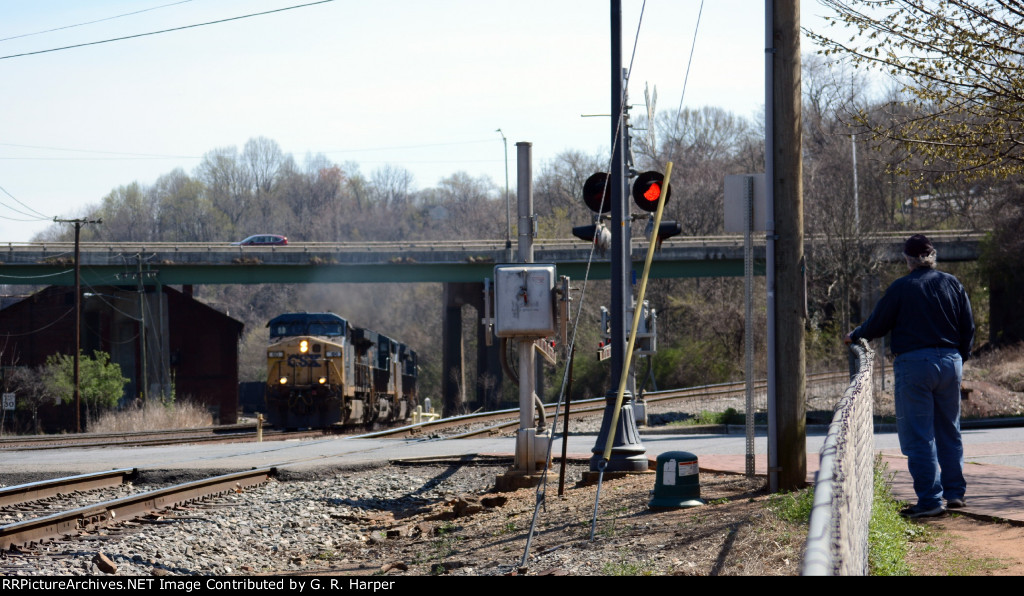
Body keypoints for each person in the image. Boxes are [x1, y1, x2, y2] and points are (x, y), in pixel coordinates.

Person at [845, 233, 975, 519]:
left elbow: (877, 325)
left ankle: (930, 500)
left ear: (907, 259)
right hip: (950, 361)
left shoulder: (901, 288)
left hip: (914, 364)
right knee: (949, 430)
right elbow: (968, 327)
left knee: (919, 436)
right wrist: (958, 359)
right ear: (933, 256)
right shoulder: (952, 283)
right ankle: (955, 494)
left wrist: (855, 334)